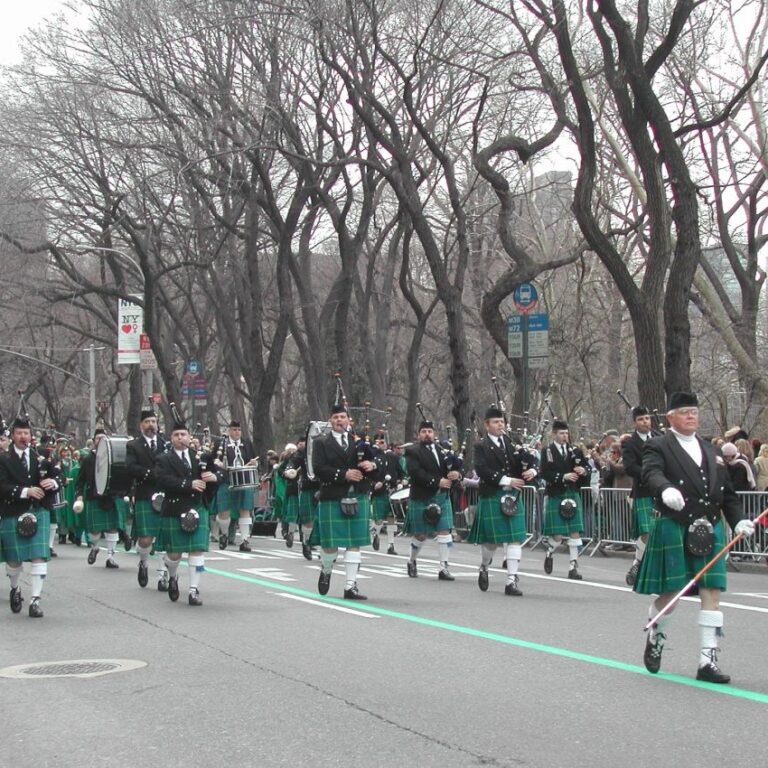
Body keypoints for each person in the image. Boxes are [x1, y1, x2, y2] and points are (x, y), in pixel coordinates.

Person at [635, 392, 755, 684]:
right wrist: (664, 489)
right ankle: (657, 632)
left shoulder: (710, 450)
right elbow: (650, 473)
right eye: (685, 411)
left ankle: (707, 660)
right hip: (675, 523)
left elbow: (727, 493)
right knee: (673, 593)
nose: (691, 416)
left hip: (709, 525)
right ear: (670, 418)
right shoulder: (658, 444)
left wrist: (738, 519)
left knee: (711, 590)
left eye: (694, 411)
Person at [154, 417, 223, 606]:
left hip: (196, 507)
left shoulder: (199, 457)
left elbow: (220, 473)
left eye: (183, 434)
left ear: (189, 436)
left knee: (197, 549)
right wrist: (188, 484)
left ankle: (193, 590)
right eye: (176, 435)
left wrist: (215, 477)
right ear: (171, 438)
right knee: (174, 554)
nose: (180, 438)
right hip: (174, 508)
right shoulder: (164, 459)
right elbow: (162, 480)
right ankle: (173, 576)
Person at [469, 407, 538, 596]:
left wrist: (532, 470)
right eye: (496, 422)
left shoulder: (511, 442)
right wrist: (507, 480)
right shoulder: (480, 446)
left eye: (502, 422)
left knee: (515, 539)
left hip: (513, 496)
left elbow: (525, 464)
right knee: (492, 542)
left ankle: (511, 581)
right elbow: (482, 470)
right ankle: (484, 566)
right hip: (493, 494)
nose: (500, 425)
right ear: (487, 425)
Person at [310, 404, 375, 599]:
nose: (339, 420)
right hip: (332, 495)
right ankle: (327, 569)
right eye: (336, 417)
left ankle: (350, 586)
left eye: (343, 417)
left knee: (354, 542)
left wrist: (371, 464)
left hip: (358, 495)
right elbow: (318, 468)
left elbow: (378, 463)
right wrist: (344, 474)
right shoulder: (320, 442)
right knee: (330, 545)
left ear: (348, 420)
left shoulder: (360, 442)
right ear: (331, 421)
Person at [0, 416, 61, 618]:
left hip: (38, 512)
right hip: (13, 512)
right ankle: (15, 587)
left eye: (26, 433)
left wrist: (54, 483)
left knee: (38, 556)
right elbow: (2, 486)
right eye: (19, 433)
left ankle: (35, 600)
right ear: (13, 436)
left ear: (30, 436)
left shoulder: (40, 458)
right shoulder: (3, 459)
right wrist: (26, 491)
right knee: (14, 561)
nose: (23, 437)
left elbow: (59, 477)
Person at [404, 420, 462, 581]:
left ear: (434, 434)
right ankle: (412, 560)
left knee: (445, 532)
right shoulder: (412, 451)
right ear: (419, 435)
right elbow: (415, 472)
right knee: (421, 535)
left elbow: (454, 467)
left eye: (430, 431)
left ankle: (443, 567)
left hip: (441, 497)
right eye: (423, 432)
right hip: (422, 496)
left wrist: (457, 474)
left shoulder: (443, 450)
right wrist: (437, 481)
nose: (427, 434)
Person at [126, 408, 170, 591]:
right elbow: (130, 468)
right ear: (141, 425)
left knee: (164, 538)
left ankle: (162, 577)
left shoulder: (166, 444)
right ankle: (143, 562)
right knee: (145, 539)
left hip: (165, 495)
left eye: (153, 421)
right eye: (147, 422)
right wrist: (151, 473)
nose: (151, 425)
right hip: (145, 494)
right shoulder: (134, 446)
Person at [539, 419, 589, 579]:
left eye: (566, 433)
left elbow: (587, 467)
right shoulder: (547, 451)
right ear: (554, 434)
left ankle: (573, 567)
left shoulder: (575, 451)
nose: (565, 436)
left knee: (575, 532)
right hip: (556, 493)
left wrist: (584, 471)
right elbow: (544, 473)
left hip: (572, 493)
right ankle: (550, 551)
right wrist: (563, 476)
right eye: (561, 433)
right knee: (558, 536)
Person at [622, 406, 662, 585]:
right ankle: (638, 563)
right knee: (646, 532)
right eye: (641, 419)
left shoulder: (660, 439)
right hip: (643, 490)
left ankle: (647, 566)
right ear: (635, 422)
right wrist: (648, 473)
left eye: (647, 418)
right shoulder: (630, 443)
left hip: (660, 491)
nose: (645, 422)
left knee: (659, 531)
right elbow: (629, 467)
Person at [76, 429, 122, 569]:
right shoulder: (88, 459)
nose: (100, 441)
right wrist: (79, 495)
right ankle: (95, 547)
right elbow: (80, 479)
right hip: (94, 496)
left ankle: (110, 557)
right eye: (98, 438)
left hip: (111, 496)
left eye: (103, 438)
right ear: (94, 441)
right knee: (94, 530)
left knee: (112, 528)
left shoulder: (113, 456)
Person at [212, 421, 258, 552]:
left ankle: (244, 541)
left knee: (245, 510)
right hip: (226, 481)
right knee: (224, 512)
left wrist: (254, 463)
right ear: (229, 431)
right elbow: (214, 460)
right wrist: (218, 464)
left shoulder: (247, 444)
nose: (236, 432)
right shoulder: (221, 444)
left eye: (238, 429)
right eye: (234, 430)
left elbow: (254, 460)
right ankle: (224, 535)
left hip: (244, 481)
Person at [369, 432, 405, 555]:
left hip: (391, 492)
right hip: (379, 492)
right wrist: (374, 485)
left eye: (383, 442)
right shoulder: (371, 457)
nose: (381, 444)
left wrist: (401, 481)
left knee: (391, 519)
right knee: (378, 519)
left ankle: (391, 545)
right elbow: (367, 476)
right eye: (378, 442)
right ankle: (376, 535)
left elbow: (401, 473)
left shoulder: (393, 457)